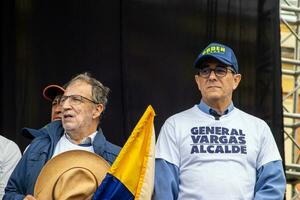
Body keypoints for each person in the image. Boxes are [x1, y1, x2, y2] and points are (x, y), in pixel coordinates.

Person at [153, 42, 286, 200]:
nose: (211, 76)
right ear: (198, 81)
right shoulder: (174, 125)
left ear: (236, 80)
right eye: (205, 71)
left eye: (220, 70)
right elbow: (163, 190)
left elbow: (273, 184)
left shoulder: (258, 128)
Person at [4, 72, 121, 200]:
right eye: (64, 99)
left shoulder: (118, 159)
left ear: (97, 110)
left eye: (76, 99)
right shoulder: (37, 147)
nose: (64, 106)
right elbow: (10, 192)